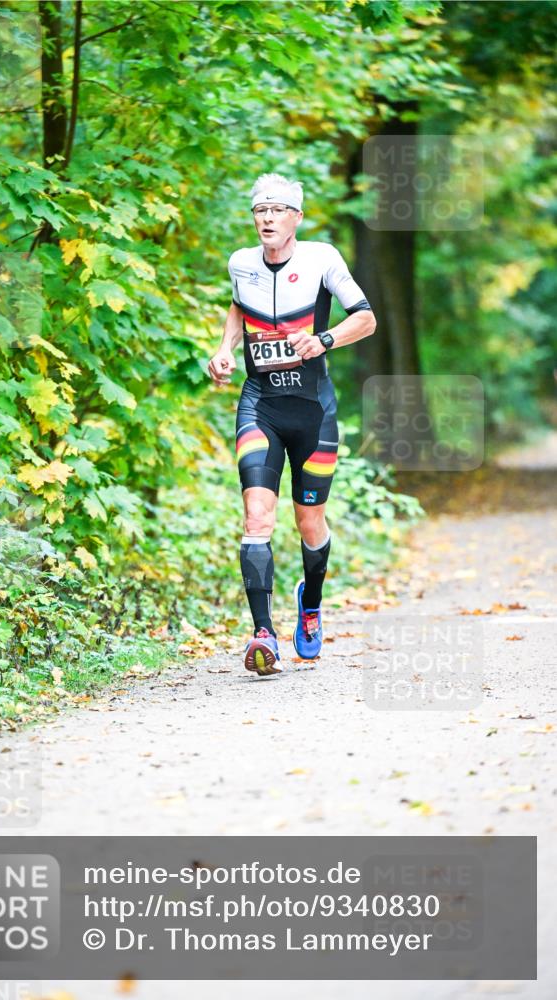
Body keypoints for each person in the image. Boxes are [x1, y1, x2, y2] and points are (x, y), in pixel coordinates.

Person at [208, 173, 376, 675]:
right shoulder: (241, 263)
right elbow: (239, 307)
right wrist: (224, 350)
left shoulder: (322, 259)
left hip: (313, 409)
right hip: (260, 404)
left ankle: (311, 603)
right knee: (257, 517)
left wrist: (323, 340)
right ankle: (263, 634)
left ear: (295, 218)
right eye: (260, 210)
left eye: (278, 210)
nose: (267, 218)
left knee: (309, 522)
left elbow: (365, 318)